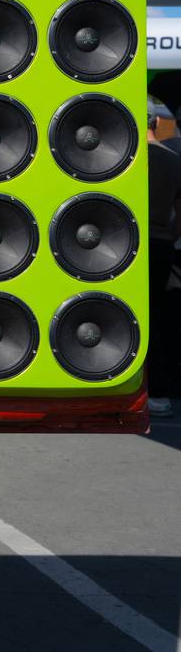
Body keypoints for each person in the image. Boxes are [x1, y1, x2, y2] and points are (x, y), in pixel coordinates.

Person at [145, 97, 181, 418]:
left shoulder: (128, 160)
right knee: (156, 314)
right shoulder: (172, 160)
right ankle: (159, 389)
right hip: (162, 243)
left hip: (128, 245)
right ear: (156, 123)